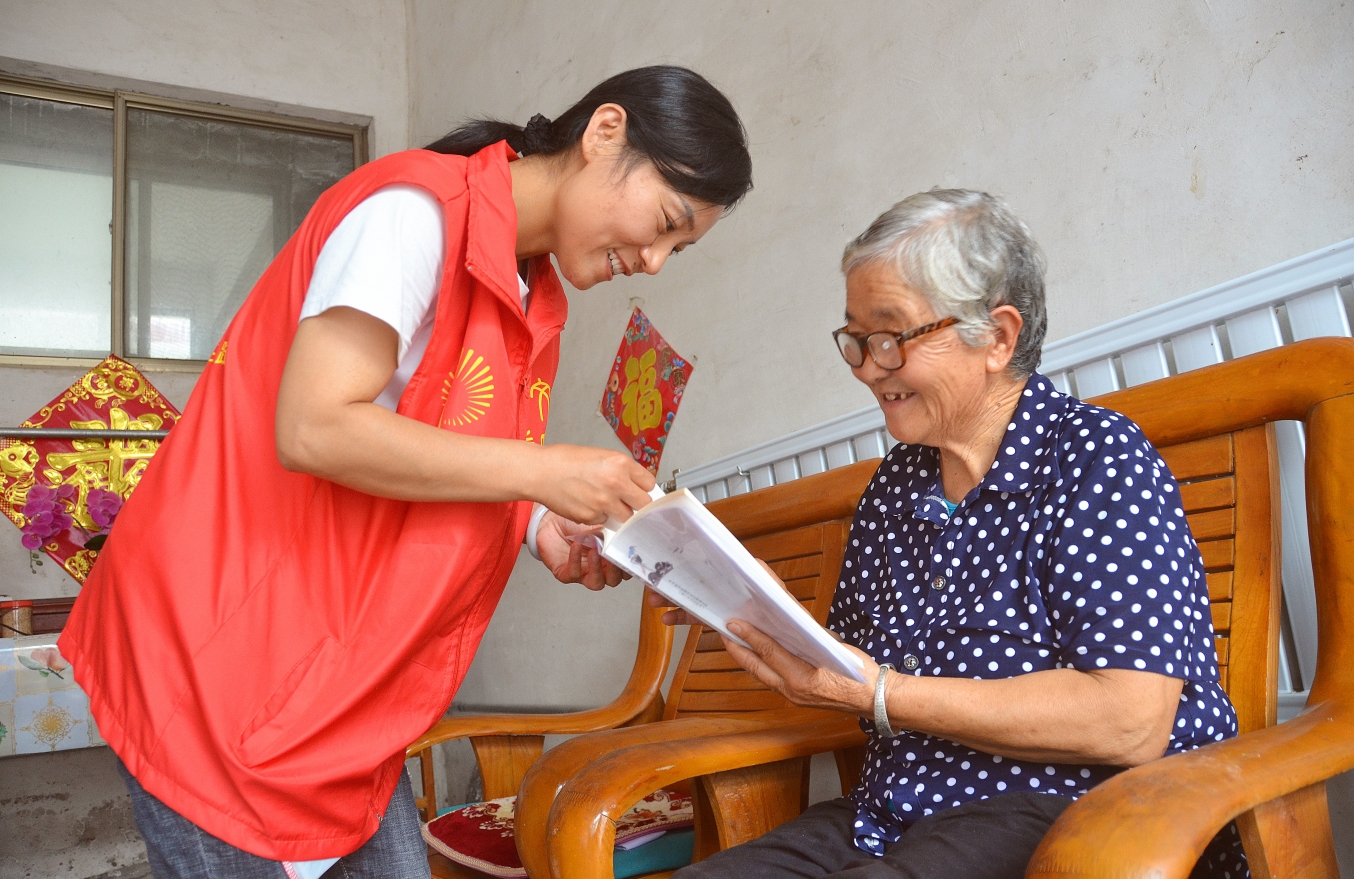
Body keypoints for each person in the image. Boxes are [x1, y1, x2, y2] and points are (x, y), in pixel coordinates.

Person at [58, 65, 752, 878]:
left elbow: (440, 440)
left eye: (679, 248)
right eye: (665, 222)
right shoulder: (413, 215)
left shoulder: (536, 297)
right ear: (605, 132)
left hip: (341, 700)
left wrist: (539, 523)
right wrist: (540, 469)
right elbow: (316, 425)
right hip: (222, 664)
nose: (656, 260)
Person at [665, 190, 1247, 879]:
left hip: (1075, 817)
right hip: (888, 816)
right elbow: (851, 670)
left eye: (891, 336)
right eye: (856, 340)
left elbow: (1131, 719)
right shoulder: (897, 484)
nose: (868, 366)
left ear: (997, 337)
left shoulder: (1096, 457)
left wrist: (882, 693)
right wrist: (757, 604)